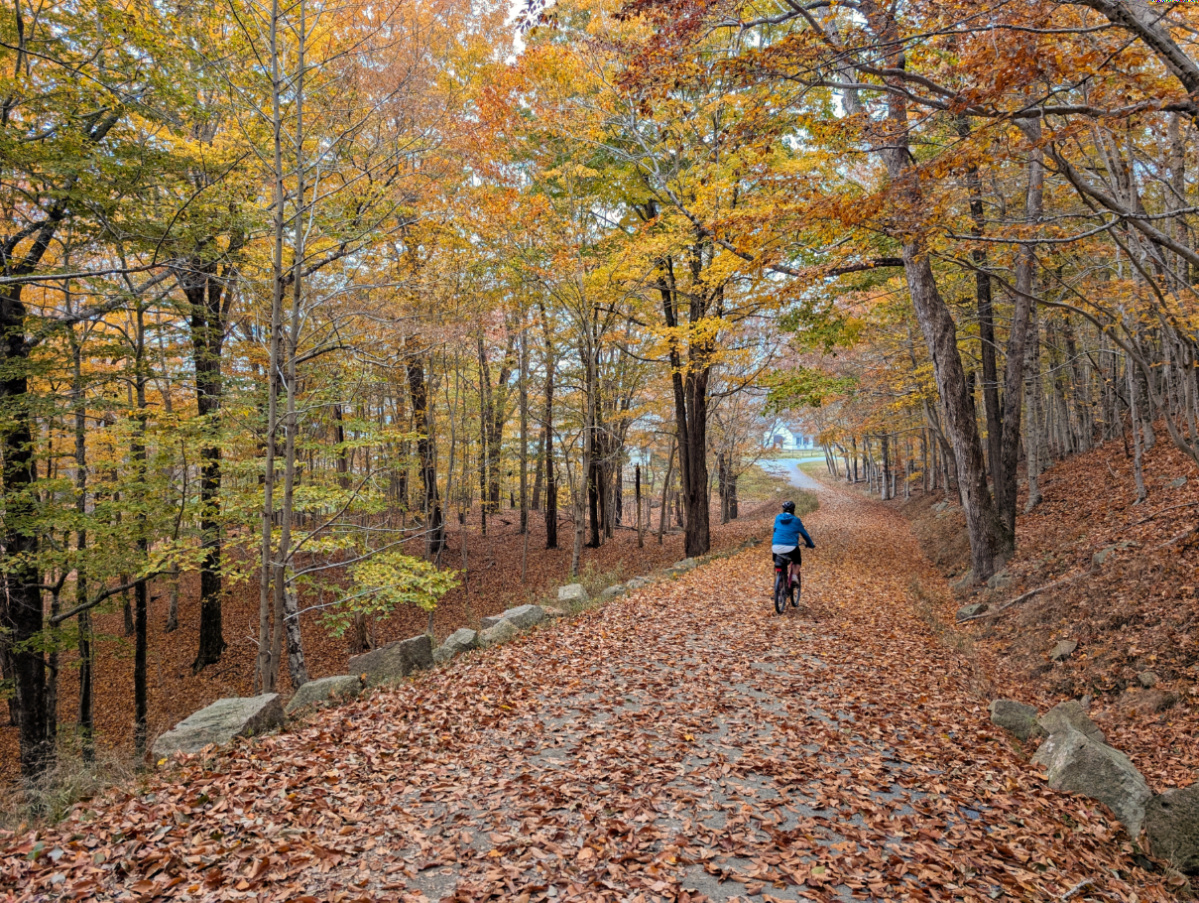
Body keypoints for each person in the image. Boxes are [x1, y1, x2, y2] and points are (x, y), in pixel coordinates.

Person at [772, 500, 814, 588]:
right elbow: (804, 534)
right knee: (797, 560)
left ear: (783, 509)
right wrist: (810, 544)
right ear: (793, 510)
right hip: (791, 547)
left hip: (776, 547)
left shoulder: (778, 518)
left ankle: (778, 590)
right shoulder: (796, 520)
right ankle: (794, 576)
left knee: (779, 566)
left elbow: (775, 529)